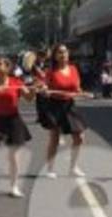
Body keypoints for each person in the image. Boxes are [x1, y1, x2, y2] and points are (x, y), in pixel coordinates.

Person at [0, 57, 35, 197]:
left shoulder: (16, 83)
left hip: (14, 121)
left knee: (13, 157)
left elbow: (29, 98)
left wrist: (33, 90)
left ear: (8, 68)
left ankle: (14, 187)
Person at [36, 43, 88, 178]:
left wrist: (82, 93)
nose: (63, 54)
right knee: (55, 138)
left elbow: (77, 88)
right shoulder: (50, 71)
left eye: (64, 52)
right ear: (55, 56)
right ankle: (50, 169)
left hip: (70, 105)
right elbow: (45, 87)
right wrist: (45, 90)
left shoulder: (73, 69)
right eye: (59, 52)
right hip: (54, 105)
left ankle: (73, 167)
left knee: (80, 138)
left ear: (68, 54)